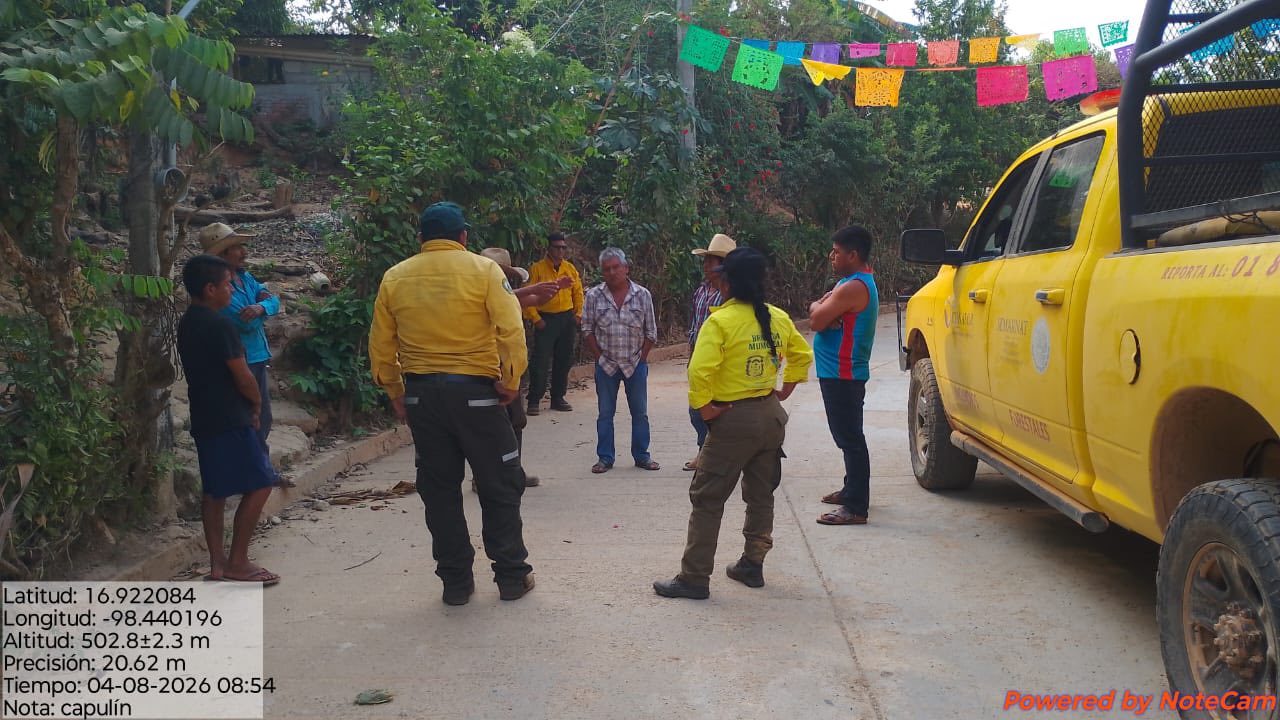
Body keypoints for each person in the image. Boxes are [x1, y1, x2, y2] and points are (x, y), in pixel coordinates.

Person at [368, 202, 534, 606]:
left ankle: (456, 583)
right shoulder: (485, 270)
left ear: (421, 238)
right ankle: (511, 577)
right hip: (478, 395)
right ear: (463, 236)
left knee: (439, 490)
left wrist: (395, 392)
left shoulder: (395, 277)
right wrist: (511, 380)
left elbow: (381, 345)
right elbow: (511, 329)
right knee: (500, 484)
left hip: (423, 397)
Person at [654, 248, 813, 600]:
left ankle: (694, 577)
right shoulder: (777, 317)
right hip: (770, 415)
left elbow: (699, 371)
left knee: (707, 497)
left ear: (726, 283)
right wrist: (784, 390)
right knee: (760, 494)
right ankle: (752, 564)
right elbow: (803, 355)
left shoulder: (721, 322)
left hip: (733, 419)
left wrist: (705, 409)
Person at [177, 254, 279, 586]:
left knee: (215, 490)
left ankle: (217, 563)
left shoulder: (188, 322)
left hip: (204, 414)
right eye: (227, 285)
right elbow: (242, 375)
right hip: (231, 415)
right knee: (262, 482)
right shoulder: (221, 325)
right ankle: (238, 561)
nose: (232, 291)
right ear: (210, 289)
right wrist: (256, 402)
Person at [198, 222, 291, 487]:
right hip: (242, 360)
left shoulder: (244, 278)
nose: (243, 252)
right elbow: (245, 321)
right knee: (252, 418)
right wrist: (264, 306)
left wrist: (262, 307)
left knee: (262, 418)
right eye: (236, 247)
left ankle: (259, 471)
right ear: (222, 254)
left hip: (257, 356)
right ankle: (256, 474)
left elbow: (272, 299)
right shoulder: (221, 288)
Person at [808, 225, 880, 526]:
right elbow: (821, 315)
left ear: (853, 255)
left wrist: (820, 306)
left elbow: (815, 320)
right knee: (847, 436)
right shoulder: (848, 283)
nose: (832, 256)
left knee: (850, 438)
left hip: (843, 374)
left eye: (837, 252)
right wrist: (824, 307)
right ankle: (851, 489)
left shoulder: (853, 287)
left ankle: (856, 507)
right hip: (838, 373)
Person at [479, 246, 564, 489]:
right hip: (487, 367)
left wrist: (551, 289)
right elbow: (514, 296)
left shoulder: (504, 292)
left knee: (515, 420)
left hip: (508, 368)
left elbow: (534, 300)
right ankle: (485, 477)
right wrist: (533, 289)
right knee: (489, 424)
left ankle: (513, 471)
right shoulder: (480, 292)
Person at [582, 247, 659, 474]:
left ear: (626, 268)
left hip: (635, 364)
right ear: (602, 272)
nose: (612, 272)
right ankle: (605, 458)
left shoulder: (642, 295)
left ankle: (642, 456)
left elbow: (651, 332)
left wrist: (641, 359)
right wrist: (599, 357)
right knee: (605, 413)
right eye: (607, 269)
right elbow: (587, 329)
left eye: (616, 267)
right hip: (606, 365)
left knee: (640, 413)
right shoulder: (593, 296)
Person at [685, 233, 737, 472]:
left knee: (720, 411)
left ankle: (716, 455)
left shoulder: (731, 296)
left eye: (711, 260)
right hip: (700, 359)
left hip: (721, 362)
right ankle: (703, 450)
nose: (706, 265)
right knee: (697, 409)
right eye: (705, 260)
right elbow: (694, 327)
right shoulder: (701, 291)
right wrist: (691, 356)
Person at [524, 232, 585, 416]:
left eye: (563, 248)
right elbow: (527, 295)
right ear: (549, 248)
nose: (560, 251)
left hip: (566, 318)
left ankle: (558, 397)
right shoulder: (537, 269)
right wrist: (536, 319)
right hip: (546, 319)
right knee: (540, 361)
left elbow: (578, 292)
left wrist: (578, 315)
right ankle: (534, 399)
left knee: (564, 359)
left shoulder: (569, 268)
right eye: (557, 247)